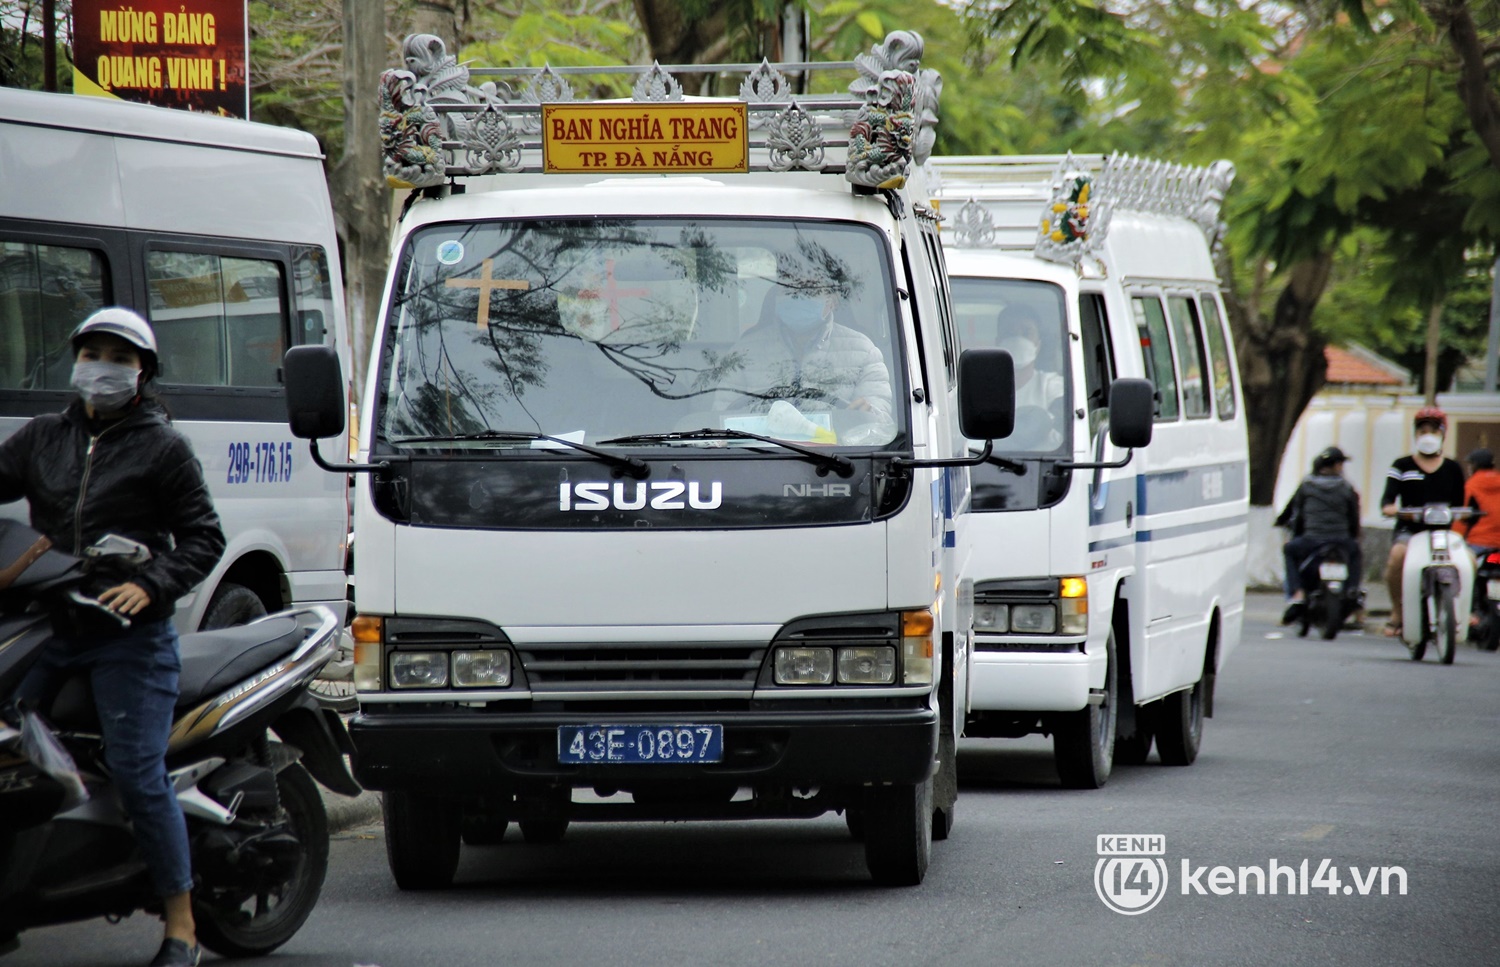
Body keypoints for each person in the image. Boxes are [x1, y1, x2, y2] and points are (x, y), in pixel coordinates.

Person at [0, 308, 226, 967]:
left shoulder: (163, 447)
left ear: (142, 371)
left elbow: (204, 537)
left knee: (136, 771)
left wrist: (153, 583)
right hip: (52, 626)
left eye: (118, 357)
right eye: (91, 352)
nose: (100, 366)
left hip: (130, 637)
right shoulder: (43, 438)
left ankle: (181, 925)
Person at [728, 287, 894, 438]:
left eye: (810, 291)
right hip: (756, 460)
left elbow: (880, 427)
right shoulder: (744, 352)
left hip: (839, 462)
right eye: (788, 289)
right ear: (776, 298)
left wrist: (866, 414)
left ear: (832, 301)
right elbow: (722, 421)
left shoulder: (864, 351)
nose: (797, 297)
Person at [1379, 406, 1467, 637]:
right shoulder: (1402, 466)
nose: (1427, 435)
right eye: (1423, 430)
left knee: (1470, 562)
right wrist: (1392, 509)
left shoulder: (1453, 468)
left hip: (1444, 533)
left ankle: (1466, 613)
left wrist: (1465, 514)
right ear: (1416, 434)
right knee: (1397, 558)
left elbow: (1460, 504)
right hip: (1411, 530)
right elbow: (1387, 501)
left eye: (1433, 430)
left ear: (1443, 434)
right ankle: (1398, 612)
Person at [1275, 446, 1362, 625]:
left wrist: (1292, 529)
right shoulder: (1346, 487)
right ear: (1336, 465)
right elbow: (1354, 516)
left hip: (1311, 541)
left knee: (1289, 550)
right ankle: (1353, 589)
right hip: (1341, 541)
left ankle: (1297, 593)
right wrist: (1352, 537)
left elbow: (1296, 513)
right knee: (1356, 553)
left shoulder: (1307, 485)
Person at [996, 305, 1065, 449]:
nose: (1018, 339)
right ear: (998, 343)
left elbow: (1062, 428)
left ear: (1038, 345)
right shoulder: (983, 390)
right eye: (1009, 333)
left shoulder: (1052, 386)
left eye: (1026, 332)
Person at [1459, 447, 1500, 553]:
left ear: (1475, 465)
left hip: (1478, 542)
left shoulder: (1471, 485)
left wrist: (1456, 539)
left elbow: (1462, 516)